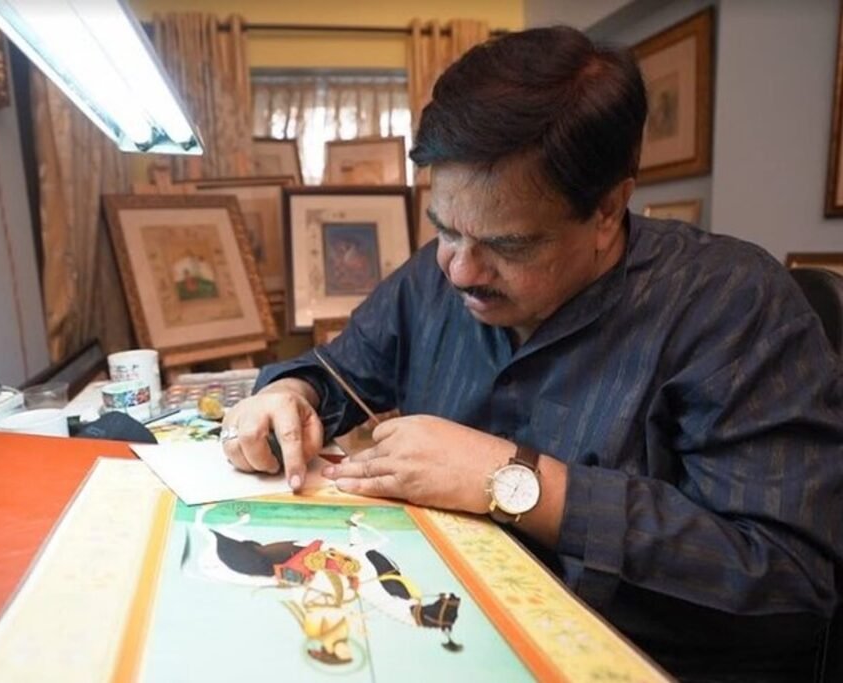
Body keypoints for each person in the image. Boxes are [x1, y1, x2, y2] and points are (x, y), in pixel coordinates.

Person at [220, 26, 843, 681]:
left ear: (609, 209)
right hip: (443, 629)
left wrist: (515, 482)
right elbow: (338, 370)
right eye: (445, 229)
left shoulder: (734, 304)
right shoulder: (433, 278)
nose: (460, 270)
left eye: (508, 245)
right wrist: (291, 393)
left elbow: (790, 578)